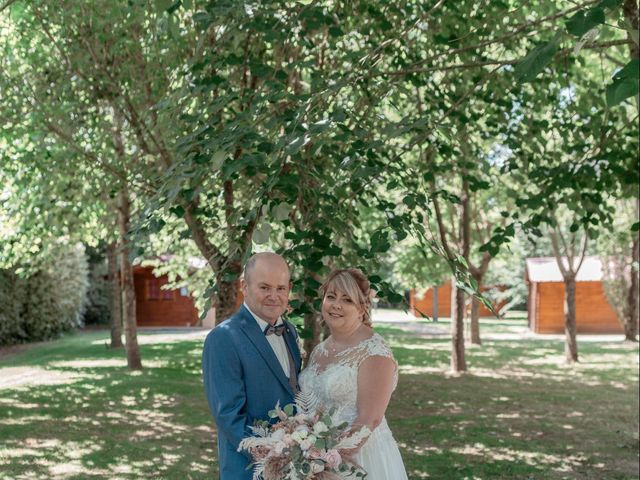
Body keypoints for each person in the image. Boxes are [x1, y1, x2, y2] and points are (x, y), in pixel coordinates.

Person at [299, 268, 408, 480]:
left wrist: (326, 462)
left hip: (359, 460)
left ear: (362, 308)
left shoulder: (375, 353)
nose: (336, 305)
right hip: (314, 457)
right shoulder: (320, 350)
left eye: (347, 300)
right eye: (331, 297)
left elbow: (370, 419)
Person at [202, 252, 302, 480]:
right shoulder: (223, 338)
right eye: (264, 287)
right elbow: (228, 415)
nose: (274, 296)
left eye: (281, 288)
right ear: (244, 286)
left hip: (296, 464)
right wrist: (275, 454)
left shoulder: (290, 331)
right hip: (249, 469)